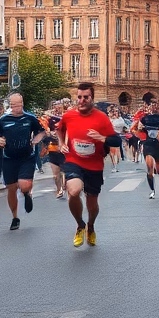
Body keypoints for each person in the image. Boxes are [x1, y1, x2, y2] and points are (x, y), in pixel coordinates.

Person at [56, 83, 117, 247]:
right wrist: (61, 143)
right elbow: (59, 129)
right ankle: (80, 225)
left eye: (86, 97)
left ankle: (90, 225)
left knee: (92, 204)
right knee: (74, 191)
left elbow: (116, 140)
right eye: (79, 97)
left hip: (94, 165)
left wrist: (101, 138)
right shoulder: (69, 116)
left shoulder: (101, 118)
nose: (81, 100)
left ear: (92, 98)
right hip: (73, 161)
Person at [0, 93, 45, 230]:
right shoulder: (3, 120)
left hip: (26, 157)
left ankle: (26, 193)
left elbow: (41, 132)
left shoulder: (29, 118)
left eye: (18, 104)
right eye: (13, 105)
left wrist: (36, 140)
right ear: (10, 105)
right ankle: (15, 217)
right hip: (9, 158)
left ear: (22, 104)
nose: (15, 107)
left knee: (24, 185)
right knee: (11, 189)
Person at [136, 99, 159, 199]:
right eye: (151, 105)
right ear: (148, 106)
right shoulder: (144, 118)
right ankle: (152, 191)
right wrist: (141, 128)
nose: (154, 107)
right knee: (150, 168)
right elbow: (138, 128)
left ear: (158, 106)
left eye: (155, 104)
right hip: (148, 144)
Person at [107, 106, 128, 172]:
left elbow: (123, 126)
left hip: (117, 135)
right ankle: (114, 165)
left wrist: (125, 130)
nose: (115, 113)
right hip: (110, 135)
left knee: (116, 151)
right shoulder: (109, 119)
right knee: (112, 152)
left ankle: (116, 165)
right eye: (114, 111)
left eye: (117, 111)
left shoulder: (120, 119)